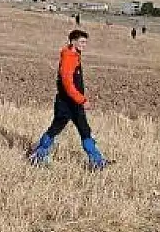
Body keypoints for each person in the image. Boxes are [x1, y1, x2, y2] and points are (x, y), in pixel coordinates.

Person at [27, 30, 110, 170]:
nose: (84, 45)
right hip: (68, 103)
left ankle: (96, 160)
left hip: (70, 102)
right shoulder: (69, 58)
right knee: (63, 129)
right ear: (73, 41)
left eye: (85, 42)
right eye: (82, 42)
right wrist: (82, 100)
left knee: (76, 129)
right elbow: (67, 83)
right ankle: (96, 161)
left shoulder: (73, 55)